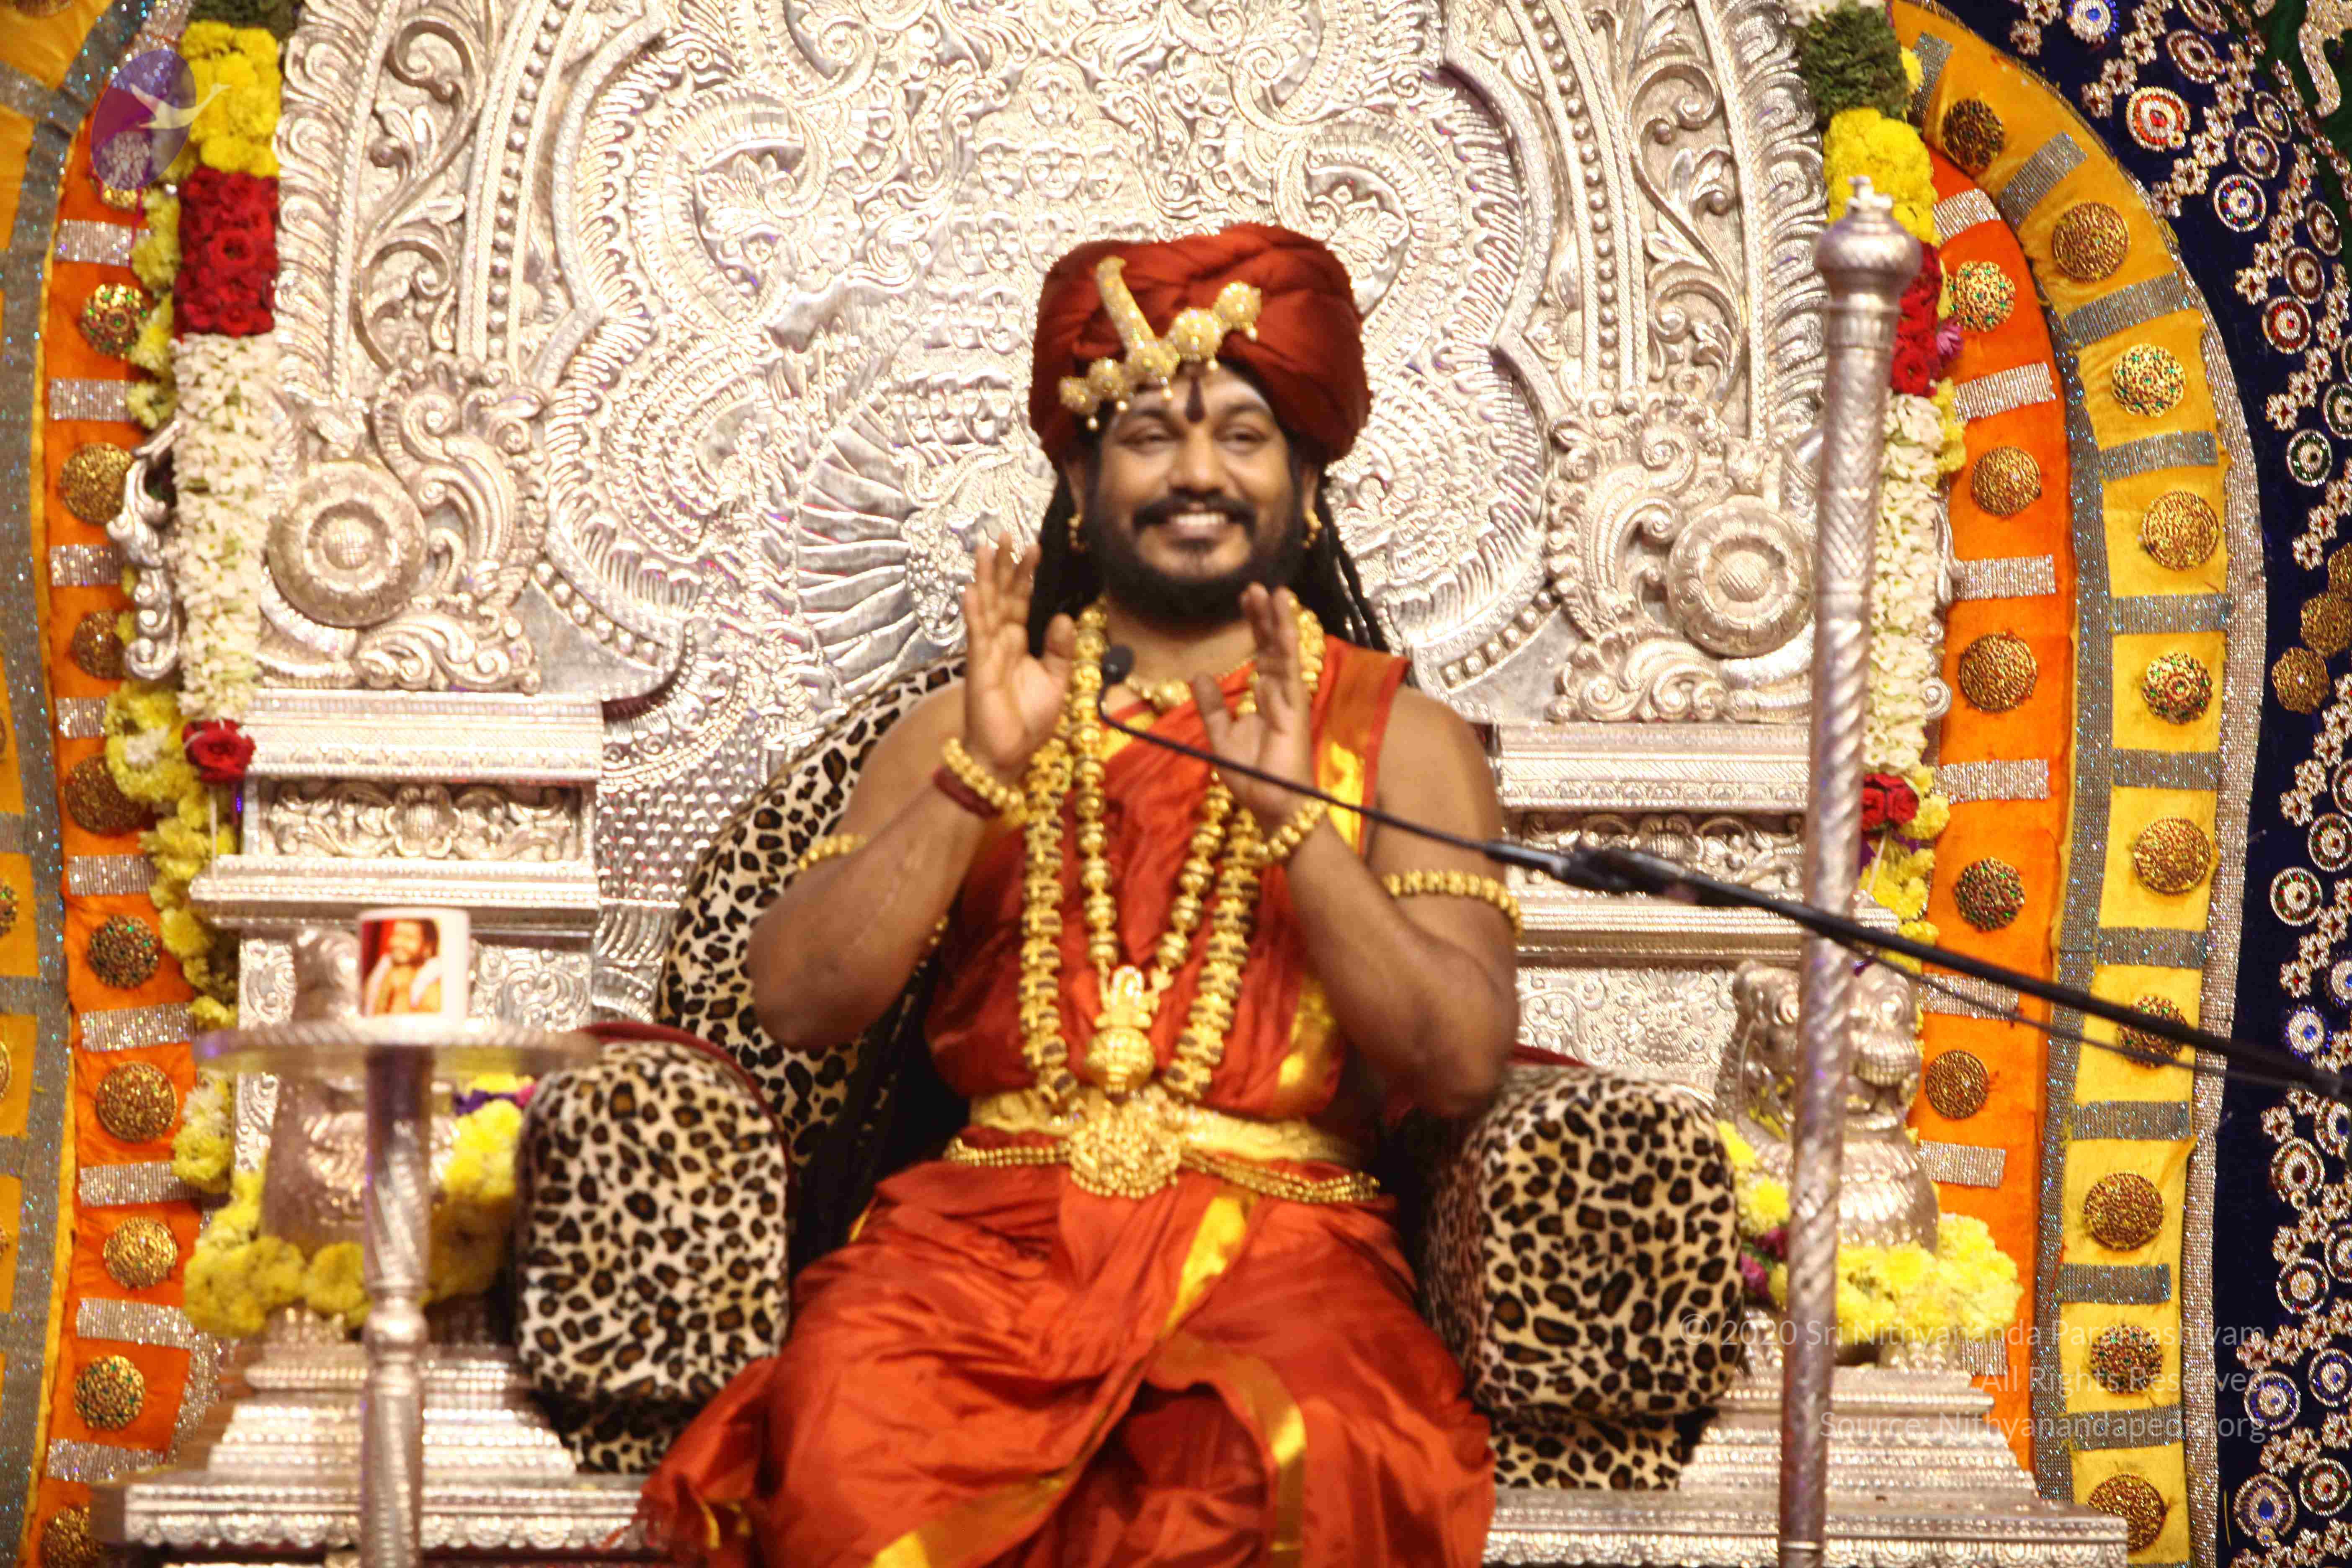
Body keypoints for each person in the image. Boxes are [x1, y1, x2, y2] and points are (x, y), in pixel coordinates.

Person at [643, 223, 1518, 1567]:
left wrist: (1299, 828)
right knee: (847, 1435)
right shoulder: (963, 725)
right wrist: (976, 782)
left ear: (1308, 484)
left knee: (1295, 1458)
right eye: (1151, 437)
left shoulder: (1401, 741)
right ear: (1077, 477)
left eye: (1243, 436)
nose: (1198, 474)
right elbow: (796, 1004)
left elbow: (1459, 1064)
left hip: (1288, 1261)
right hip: (977, 1252)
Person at [362, 918, 442, 1016]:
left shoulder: (435, 982)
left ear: (427, 947)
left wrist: (403, 990)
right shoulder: (385, 965)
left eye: (408, 938)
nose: (399, 943)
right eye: (397, 935)